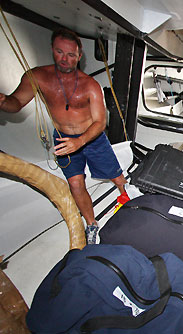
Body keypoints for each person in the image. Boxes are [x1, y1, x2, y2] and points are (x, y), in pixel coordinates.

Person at [0, 28, 127, 244]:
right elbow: (17, 102)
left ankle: (127, 197)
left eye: (71, 55)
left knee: (116, 177)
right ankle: (91, 224)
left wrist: (79, 141)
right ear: (52, 50)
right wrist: (4, 102)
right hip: (63, 138)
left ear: (79, 56)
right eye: (60, 52)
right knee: (76, 185)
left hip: (92, 138)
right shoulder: (38, 77)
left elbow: (100, 123)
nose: (65, 59)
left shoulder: (90, 85)